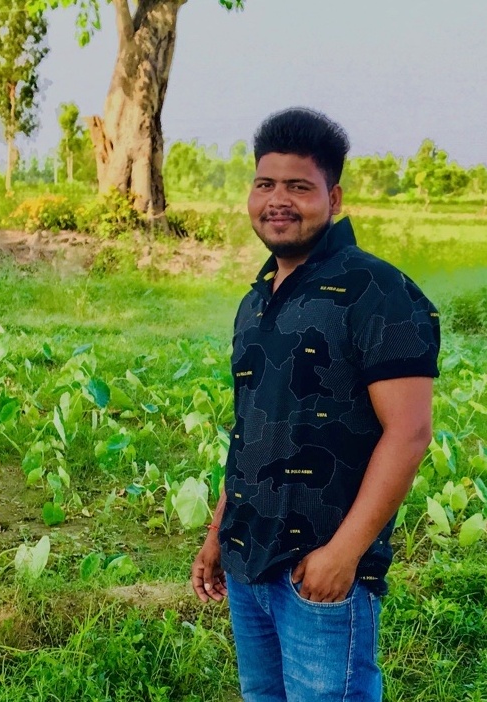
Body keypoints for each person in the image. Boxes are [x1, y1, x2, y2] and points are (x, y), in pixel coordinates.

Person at [191, 107, 440, 701]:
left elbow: (409, 432)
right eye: (265, 184)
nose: (278, 200)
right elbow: (251, 430)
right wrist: (219, 531)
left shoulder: (377, 291)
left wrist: (344, 553)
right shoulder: (257, 300)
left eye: (299, 187)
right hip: (249, 561)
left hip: (321, 570)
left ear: (334, 197)